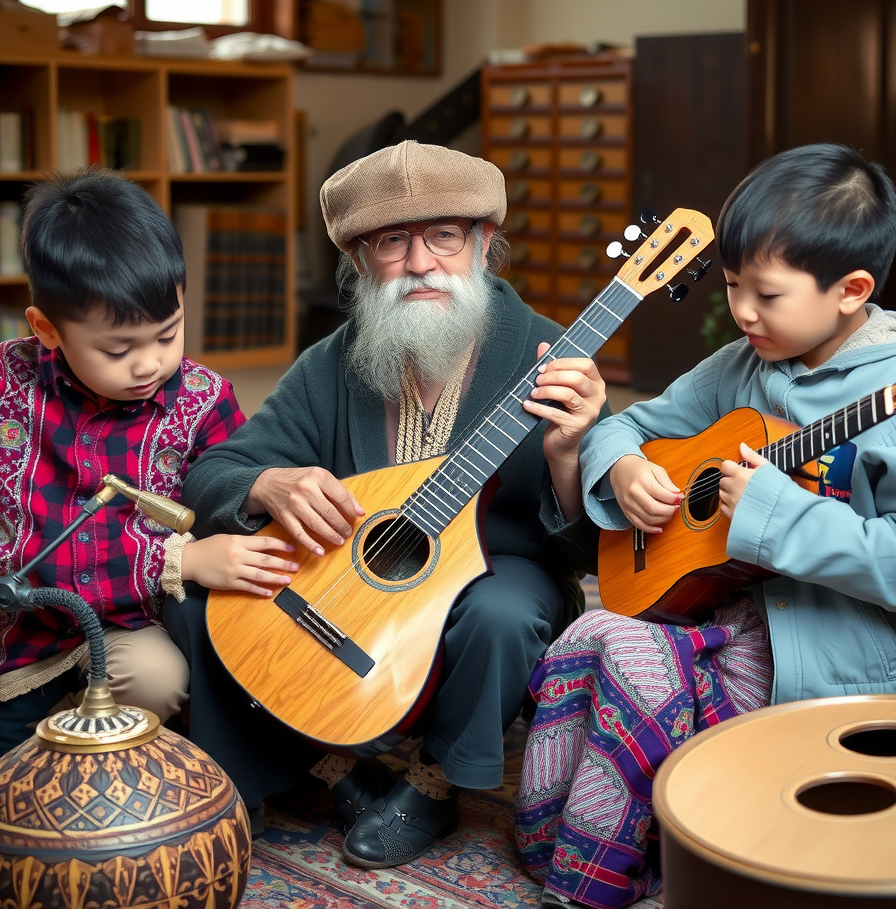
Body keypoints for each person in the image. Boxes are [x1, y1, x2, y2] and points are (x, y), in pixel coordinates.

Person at [515, 142, 896, 909]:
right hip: (733, 613)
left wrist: (777, 516)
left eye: (766, 294)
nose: (741, 312)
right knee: (591, 635)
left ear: (852, 289)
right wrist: (623, 467)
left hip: (836, 654)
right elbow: (628, 428)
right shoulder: (744, 365)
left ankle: (602, 876)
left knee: (634, 661)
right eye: (731, 287)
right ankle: (573, 845)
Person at [165, 139, 608, 861]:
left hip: (490, 580)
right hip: (354, 584)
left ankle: (434, 785)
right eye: (392, 243)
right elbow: (216, 471)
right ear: (359, 261)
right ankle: (327, 770)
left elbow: (593, 550)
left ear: (484, 242)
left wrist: (567, 457)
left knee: (503, 612)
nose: (422, 263)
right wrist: (266, 484)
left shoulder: (552, 356)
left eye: (444, 236)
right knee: (199, 593)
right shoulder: (335, 361)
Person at [0, 168, 297, 755]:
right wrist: (177, 559)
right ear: (46, 329)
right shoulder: (8, 386)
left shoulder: (204, 399)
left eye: (168, 334)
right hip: (18, 636)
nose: (149, 365)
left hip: (128, 630)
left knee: (162, 679)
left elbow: (224, 507)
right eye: (117, 349)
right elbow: (40, 560)